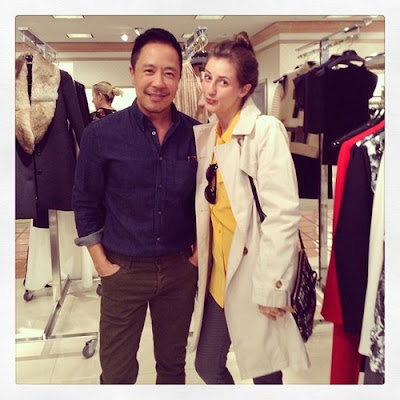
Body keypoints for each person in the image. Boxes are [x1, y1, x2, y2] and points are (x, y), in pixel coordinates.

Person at [72, 28, 199, 384]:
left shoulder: (197, 134)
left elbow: (208, 200)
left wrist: (196, 257)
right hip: (122, 270)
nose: (158, 82)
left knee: (173, 368)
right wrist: (102, 265)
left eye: (169, 73)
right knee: (117, 373)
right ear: (132, 73)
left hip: (179, 270)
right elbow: (84, 201)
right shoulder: (101, 134)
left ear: (179, 78)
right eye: (149, 70)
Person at [190, 31, 310, 384]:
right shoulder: (209, 135)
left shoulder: (264, 131)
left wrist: (274, 284)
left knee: (264, 372)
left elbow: (283, 214)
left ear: (244, 89)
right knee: (207, 364)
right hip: (219, 275)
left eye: (223, 82)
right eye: (207, 77)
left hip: (255, 271)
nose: (210, 89)